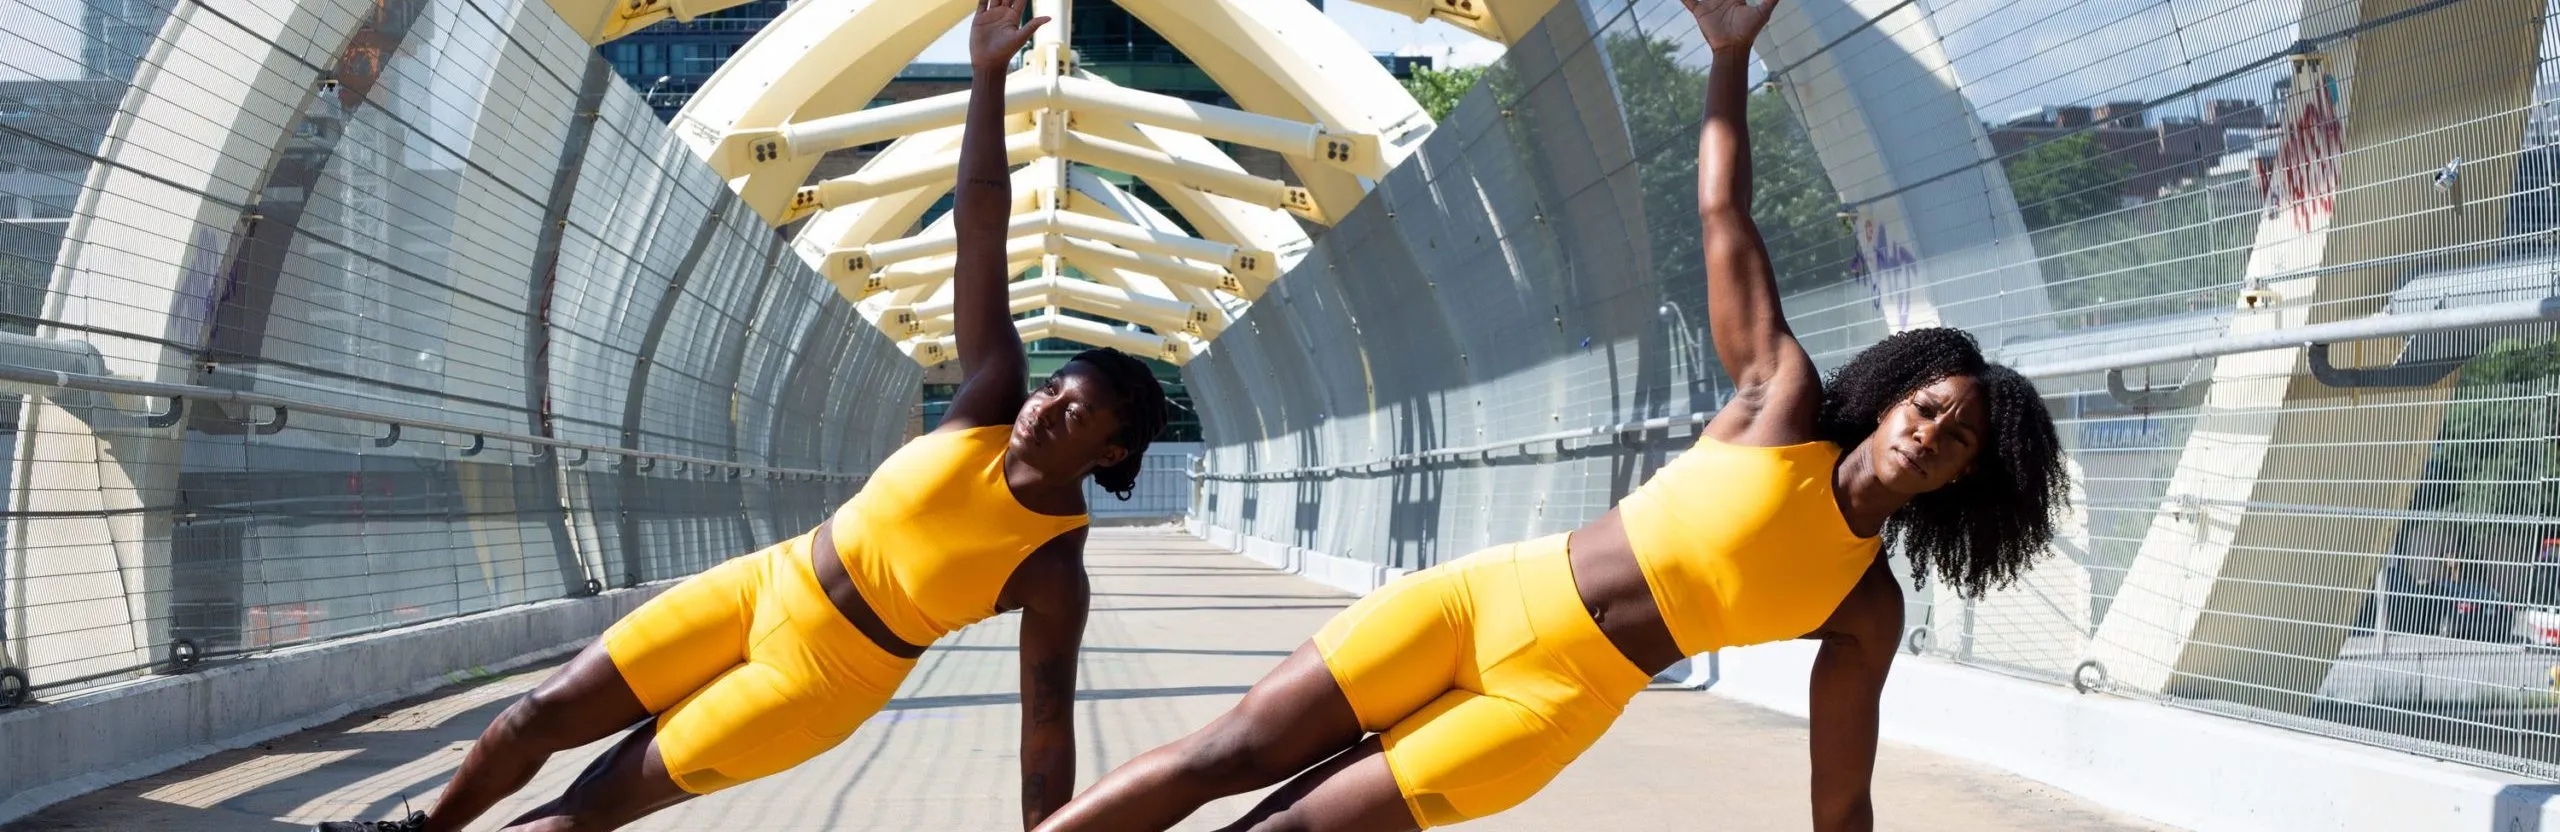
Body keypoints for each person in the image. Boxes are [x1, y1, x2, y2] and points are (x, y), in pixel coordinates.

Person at [1025, 1, 2069, 830]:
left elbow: (1839, 798)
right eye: (1928, 408)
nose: (1930, 434)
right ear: (1894, 397)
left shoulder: (1864, 605)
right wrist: (1725, 57)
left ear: (1960, 479)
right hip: (1474, 601)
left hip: (1551, 701)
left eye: (1958, 440)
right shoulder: (1779, 406)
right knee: (1226, 755)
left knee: (1292, 827)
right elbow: (1723, 216)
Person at [317, 3, 1164, 829]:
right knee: (534, 717)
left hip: (820, 679)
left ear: (1112, 449)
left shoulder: (1054, 570)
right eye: (1054, 389)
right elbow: (979, 230)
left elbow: (1044, 731)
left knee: (589, 806)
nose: (1046, 408)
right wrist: (985, 77)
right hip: (764, 582)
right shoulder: (989, 398)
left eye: (1075, 411)